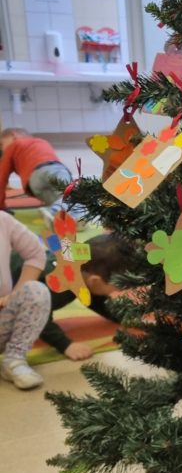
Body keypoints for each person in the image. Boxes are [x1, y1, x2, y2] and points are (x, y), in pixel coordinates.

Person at [9, 231, 136, 361]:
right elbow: (37, 317)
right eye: (121, 286)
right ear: (95, 281)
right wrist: (65, 345)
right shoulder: (56, 285)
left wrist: (122, 317)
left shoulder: (82, 271)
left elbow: (94, 298)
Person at [0, 210, 51, 389]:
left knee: (37, 291)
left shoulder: (3, 220)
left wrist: (15, 294)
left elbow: (36, 252)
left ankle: (14, 359)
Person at [0, 128, 73, 211]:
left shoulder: (13, 145)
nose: (1, 149)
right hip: (52, 170)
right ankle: (56, 211)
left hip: (34, 183)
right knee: (70, 197)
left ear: (14, 136)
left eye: (1, 144)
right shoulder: (42, 142)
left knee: (58, 202)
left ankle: (52, 212)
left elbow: (2, 177)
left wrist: (1, 206)